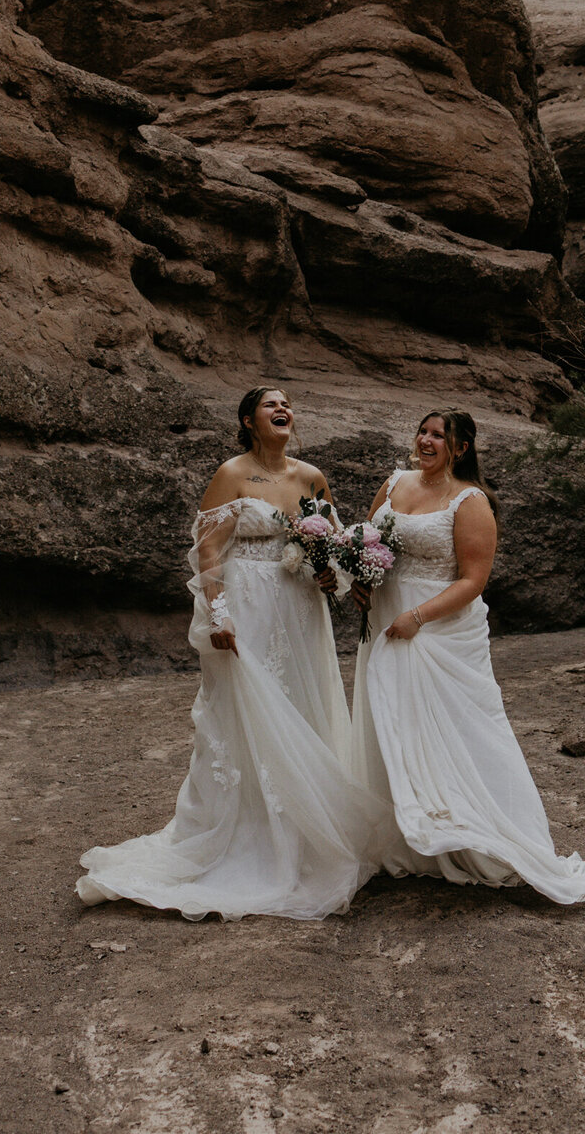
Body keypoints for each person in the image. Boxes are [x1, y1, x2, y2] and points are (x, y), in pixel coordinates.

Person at [75, 386, 378, 920]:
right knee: (244, 715)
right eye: (270, 404)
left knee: (302, 707)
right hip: (249, 606)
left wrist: (332, 574)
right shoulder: (231, 474)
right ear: (247, 420)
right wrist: (219, 613)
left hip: (301, 610)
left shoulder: (312, 477)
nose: (282, 409)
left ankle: (309, 829)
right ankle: (249, 834)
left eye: (286, 404)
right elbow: (209, 549)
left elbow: (332, 546)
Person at [352, 409, 585, 904]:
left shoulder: (471, 501)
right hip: (385, 617)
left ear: (460, 448)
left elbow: (473, 580)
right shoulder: (394, 483)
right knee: (392, 719)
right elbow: (367, 540)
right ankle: (403, 836)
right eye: (423, 431)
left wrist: (417, 616)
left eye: (439, 436)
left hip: (436, 628)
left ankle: (483, 835)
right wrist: (360, 577)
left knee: (458, 729)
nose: (426, 440)